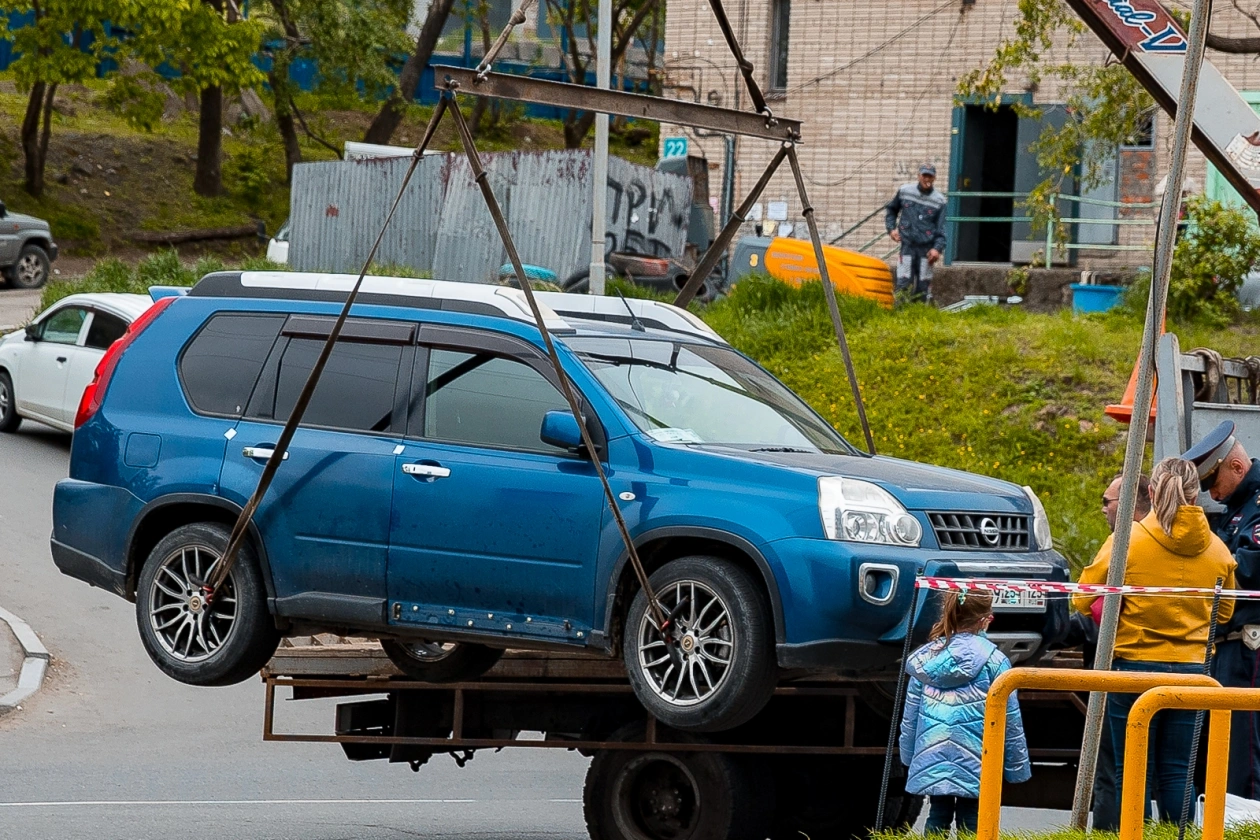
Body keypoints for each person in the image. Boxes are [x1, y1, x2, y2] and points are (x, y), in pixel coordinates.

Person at [1074, 457, 1237, 822]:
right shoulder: (1219, 550)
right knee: (1179, 771)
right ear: (1197, 496)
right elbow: (1224, 615)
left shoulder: (1125, 541)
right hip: (1193, 673)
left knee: (1130, 772)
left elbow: (1081, 597)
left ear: (1150, 491)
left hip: (1133, 670)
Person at [899, 590, 1031, 834]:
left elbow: (910, 718)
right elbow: (1010, 720)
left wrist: (908, 757)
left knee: (937, 815)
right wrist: (1016, 767)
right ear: (984, 620)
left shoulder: (925, 661)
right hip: (978, 753)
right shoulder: (996, 661)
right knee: (972, 818)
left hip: (933, 750)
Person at [1068, 472, 1153, 830]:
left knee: (1113, 766)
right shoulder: (1176, 538)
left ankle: (1108, 833)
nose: (1103, 508)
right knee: (1168, 769)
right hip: (1184, 666)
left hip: (1124, 658)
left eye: (1108, 501)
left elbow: (1083, 595)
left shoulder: (1123, 540)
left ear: (1131, 504)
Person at [1184, 420, 1260, 799]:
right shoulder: (1238, 508)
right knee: (1222, 744)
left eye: (1214, 480)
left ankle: (1244, 822)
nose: (1212, 492)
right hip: (1229, 644)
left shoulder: (1257, 506)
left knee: (1244, 749)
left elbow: (1250, 567)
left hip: (1250, 647)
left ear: (1236, 467)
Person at [885, 164, 947, 303]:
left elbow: (942, 228)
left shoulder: (940, 200)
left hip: (926, 250)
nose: (927, 179)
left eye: (930, 176)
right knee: (903, 283)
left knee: (923, 287)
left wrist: (937, 249)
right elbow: (891, 210)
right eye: (924, 175)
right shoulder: (904, 191)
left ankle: (918, 317)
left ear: (935, 178)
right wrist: (891, 229)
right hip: (907, 247)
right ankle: (899, 317)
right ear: (919, 176)